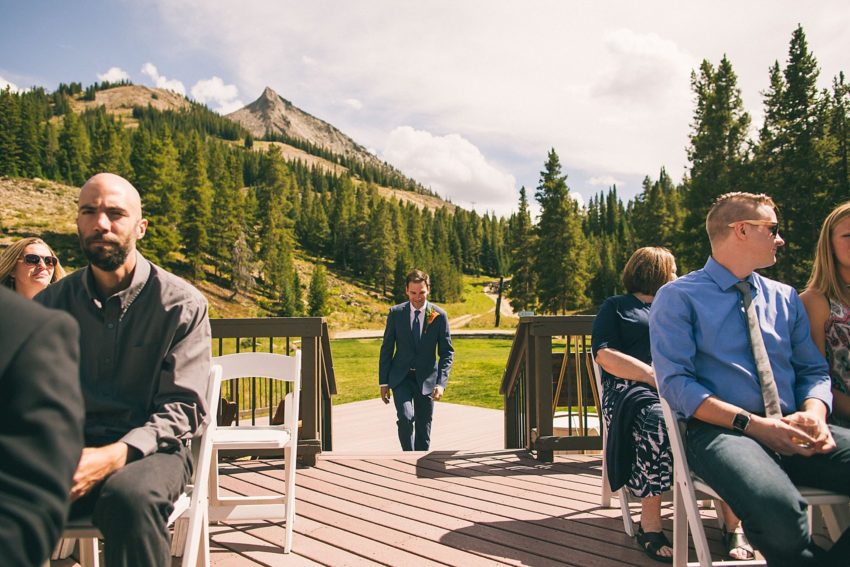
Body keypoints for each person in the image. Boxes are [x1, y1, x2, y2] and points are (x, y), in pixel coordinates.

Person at [650, 192, 850, 567]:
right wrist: (754, 425)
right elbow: (676, 385)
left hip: (793, 425)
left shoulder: (785, 297)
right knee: (780, 514)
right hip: (722, 433)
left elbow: (812, 370)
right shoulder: (678, 297)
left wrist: (815, 413)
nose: (780, 239)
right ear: (741, 230)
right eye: (772, 229)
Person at [35, 172, 212, 567]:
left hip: (154, 452)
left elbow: (184, 407)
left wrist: (115, 455)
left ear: (140, 227)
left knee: (129, 498)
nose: (101, 223)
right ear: (78, 222)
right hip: (68, 454)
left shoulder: (181, 305)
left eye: (115, 213)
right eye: (89, 211)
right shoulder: (50, 306)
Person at [593, 247, 751, 563]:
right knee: (658, 421)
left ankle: (734, 523)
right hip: (633, 390)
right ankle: (650, 523)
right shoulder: (617, 308)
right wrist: (653, 376)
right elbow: (604, 354)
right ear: (656, 272)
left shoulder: (681, 306)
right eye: (673, 269)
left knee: (728, 417)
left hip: (684, 387)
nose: (678, 275)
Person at [0, 287, 84, 566]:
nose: (43, 266)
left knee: (134, 495)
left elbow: (28, 504)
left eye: (47, 260)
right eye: (33, 260)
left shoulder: (29, 329)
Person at [379, 269, 454, 451]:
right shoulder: (396, 313)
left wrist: (441, 383)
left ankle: (420, 462)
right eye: (413, 293)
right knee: (405, 418)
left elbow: (446, 352)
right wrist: (383, 383)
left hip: (427, 379)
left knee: (423, 427)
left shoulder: (439, 316)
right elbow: (387, 348)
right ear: (406, 290)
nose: (417, 297)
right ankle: (408, 457)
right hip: (401, 378)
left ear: (428, 290)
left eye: (421, 292)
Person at [802, 202, 850, 426]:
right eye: (847, 235)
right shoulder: (816, 301)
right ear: (829, 245)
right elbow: (816, 378)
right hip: (840, 420)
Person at [0, 236, 67, 298]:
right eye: (32, 259)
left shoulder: (69, 307)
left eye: (49, 261)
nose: (43, 266)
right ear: (12, 270)